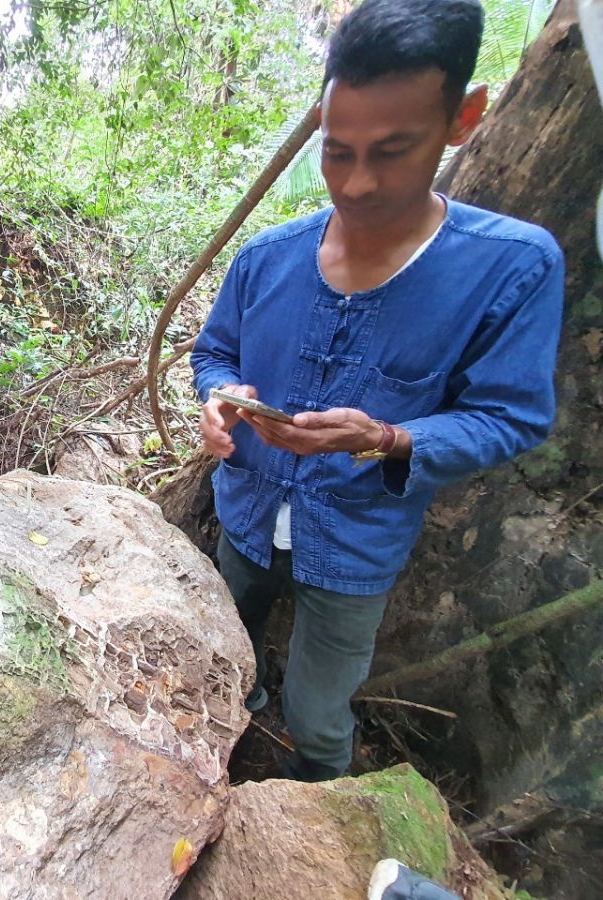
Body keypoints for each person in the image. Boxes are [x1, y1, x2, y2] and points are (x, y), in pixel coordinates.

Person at [191, 0, 564, 782]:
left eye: (392, 152)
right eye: (337, 152)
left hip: (357, 542)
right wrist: (220, 395)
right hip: (245, 509)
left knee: (319, 712)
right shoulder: (267, 259)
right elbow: (215, 351)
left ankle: (324, 793)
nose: (356, 184)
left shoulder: (513, 266)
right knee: (225, 651)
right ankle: (236, 725)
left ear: (463, 118)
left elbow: (512, 415)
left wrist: (388, 438)